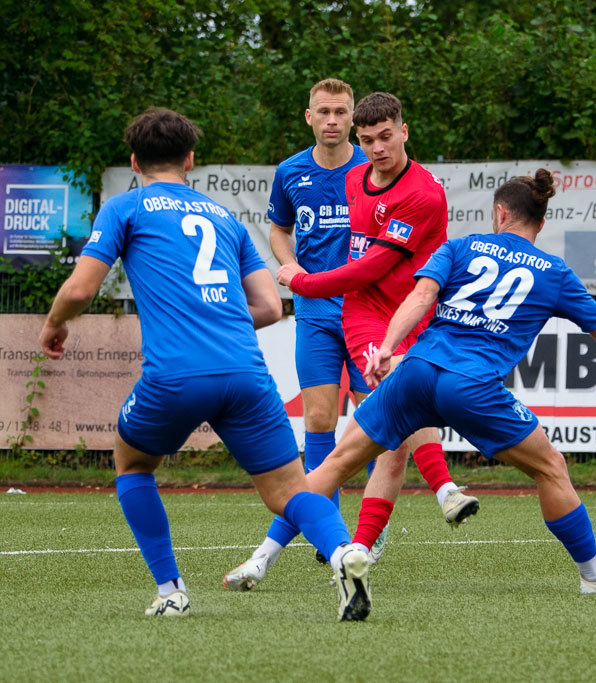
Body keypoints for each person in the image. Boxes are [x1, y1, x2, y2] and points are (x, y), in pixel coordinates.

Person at [37, 107, 371, 621]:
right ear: (190, 160)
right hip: (246, 374)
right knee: (289, 491)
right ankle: (344, 551)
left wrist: (55, 323)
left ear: (134, 160)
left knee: (132, 464)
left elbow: (82, 287)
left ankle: (171, 590)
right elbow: (267, 306)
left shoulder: (126, 207)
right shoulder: (225, 217)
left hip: (175, 376)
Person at [297, 168, 596, 595]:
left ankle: (274, 549)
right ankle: (595, 575)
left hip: (414, 369)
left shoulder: (461, 247)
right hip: (471, 386)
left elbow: (420, 297)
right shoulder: (554, 272)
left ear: (499, 213)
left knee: (337, 464)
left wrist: (386, 347)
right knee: (551, 467)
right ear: (541, 223)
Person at [224, 91, 478, 590]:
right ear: (310, 118)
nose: (336, 121)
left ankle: (376, 527)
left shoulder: (400, 182)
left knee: (388, 424)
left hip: (380, 311)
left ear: (401, 131)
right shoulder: (301, 172)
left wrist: (300, 281)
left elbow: (371, 263)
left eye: (345, 113)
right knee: (325, 419)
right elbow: (280, 228)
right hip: (328, 312)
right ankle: (335, 535)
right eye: (327, 112)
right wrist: (290, 265)